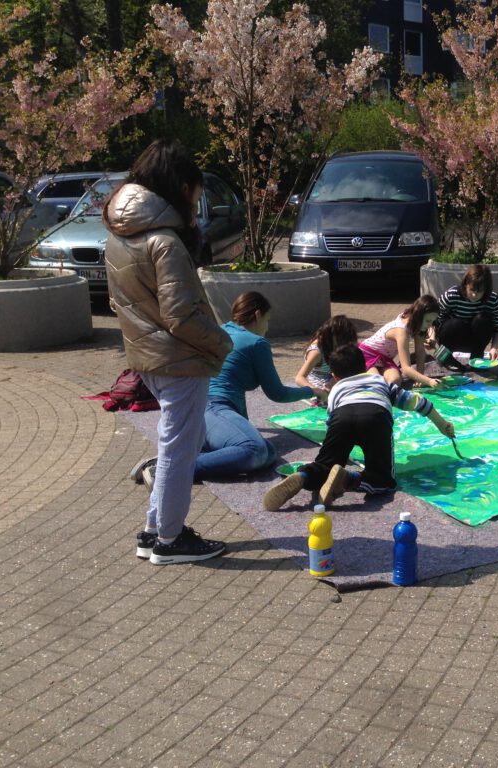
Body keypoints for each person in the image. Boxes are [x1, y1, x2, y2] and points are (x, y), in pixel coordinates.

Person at [105, 138, 232, 565]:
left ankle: (154, 530)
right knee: (180, 452)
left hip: (148, 357)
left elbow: (121, 304)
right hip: (179, 359)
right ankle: (171, 540)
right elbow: (181, 316)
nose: (195, 206)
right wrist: (223, 342)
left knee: (177, 444)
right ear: (180, 188)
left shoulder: (119, 234)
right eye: (195, 196)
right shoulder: (164, 241)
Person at [263, 344, 456, 511]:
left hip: (342, 418)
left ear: (334, 376)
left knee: (325, 464)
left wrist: (336, 451)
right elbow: (418, 402)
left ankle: (304, 476)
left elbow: (332, 423)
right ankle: (348, 479)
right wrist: (442, 424)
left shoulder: (335, 391)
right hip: (375, 417)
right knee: (383, 480)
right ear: (365, 367)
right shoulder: (379, 381)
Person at [185, 291, 315, 480]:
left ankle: (190, 455)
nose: (267, 327)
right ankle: (172, 468)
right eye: (267, 320)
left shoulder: (221, 330)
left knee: (269, 452)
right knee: (256, 450)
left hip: (194, 409)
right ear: (258, 315)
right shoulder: (256, 343)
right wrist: (311, 391)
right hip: (213, 408)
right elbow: (277, 393)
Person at [359, 295, 442, 389]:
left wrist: (420, 377)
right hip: (366, 355)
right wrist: (429, 381)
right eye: (428, 321)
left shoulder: (416, 324)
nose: (430, 325)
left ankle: (375, 375)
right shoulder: (402, 331)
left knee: (395, 381)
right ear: (418, 315)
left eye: (432, 321)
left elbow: (420, 352)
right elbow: (406, 368)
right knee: (377, 383)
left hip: (383, 359)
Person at [433, 264, 498, 361]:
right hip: (452, 337)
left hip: (475, 342)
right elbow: (433, 318)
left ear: (486, 289)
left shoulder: (493, 300)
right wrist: (431, 337)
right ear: (465, 284)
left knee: (482, 320)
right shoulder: (451, 295)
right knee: (455, 324)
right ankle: (447, 358)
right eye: (472, 289)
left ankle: (476, 359)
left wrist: (494, 348)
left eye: (480, 291)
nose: (474, 295)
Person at [294, 314, 359, 399]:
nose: (345, 344)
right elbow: (299, 378)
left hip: (334, 379)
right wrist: (317, 391)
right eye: (344, 340)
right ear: (333, 336)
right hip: (320, 386)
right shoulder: (316, 352)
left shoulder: (335, 344)